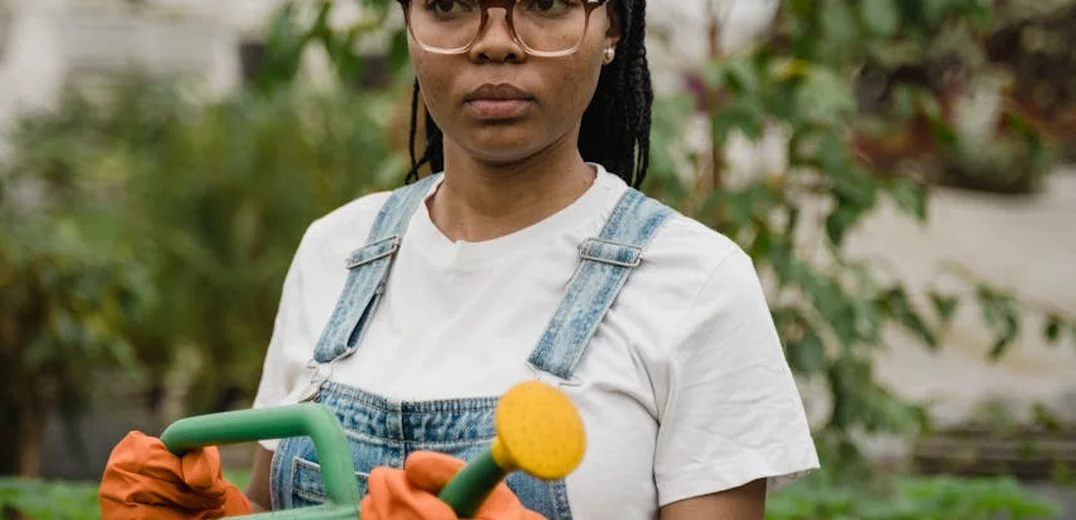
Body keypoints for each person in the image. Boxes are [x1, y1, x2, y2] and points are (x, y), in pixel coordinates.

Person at [99, 0, 820, 518]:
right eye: (448, 4)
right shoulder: (336, 251)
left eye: (545, 3)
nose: (495, 44)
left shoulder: (696, 283)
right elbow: (271, 503)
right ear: (409, 26)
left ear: (612, 29)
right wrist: (211, 514)